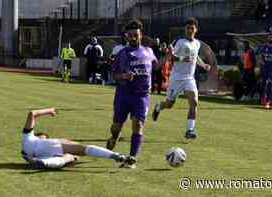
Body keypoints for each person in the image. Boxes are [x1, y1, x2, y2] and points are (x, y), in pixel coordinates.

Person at [105, 19, 158, 169]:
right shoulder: (122, 54)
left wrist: (168, 57)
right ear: (126, 37)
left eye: (136, 35)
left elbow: (156, 67)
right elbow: (114, 75)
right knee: (117, 125)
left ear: (141, 35)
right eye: (130, 35)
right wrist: (123, 76)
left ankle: (132, 158)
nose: (133, 38)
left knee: (138, 124)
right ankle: (114, 137)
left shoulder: (149, 51)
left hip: (142, 96)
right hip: (123, 95)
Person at [151, 17, 211, 139]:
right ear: (185, 29)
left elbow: (195, 57)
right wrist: (183, 59)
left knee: (194, 102)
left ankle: (190, 130)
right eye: (188, 28)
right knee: (169, 104)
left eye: (192, 28)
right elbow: (171, 56)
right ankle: (158, 107)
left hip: (189, 78)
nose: (189, 30)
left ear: (196, 30)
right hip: (176, 78)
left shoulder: (197, 43)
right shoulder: (179, 41)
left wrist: (203, 64)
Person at [21, 108, 126, 169]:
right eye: (45, 135)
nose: (46, 136)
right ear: (40, 136)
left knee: (65, 158)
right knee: (81, 149)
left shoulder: (26, 140)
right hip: (43, 152)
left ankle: (43, 163)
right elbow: (32, 113)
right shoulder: (36, 139)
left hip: (35, 156)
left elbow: (32, 114)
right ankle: (116, 155)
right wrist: (51, 110)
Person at [256, 32, 272, 109]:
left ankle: (268, 102)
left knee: (270, 83)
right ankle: (263, 97)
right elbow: (257, 54)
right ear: (267, 38)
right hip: (264, 66)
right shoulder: (263, 46)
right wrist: (259, 62)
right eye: (270, 37)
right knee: (263, 84)